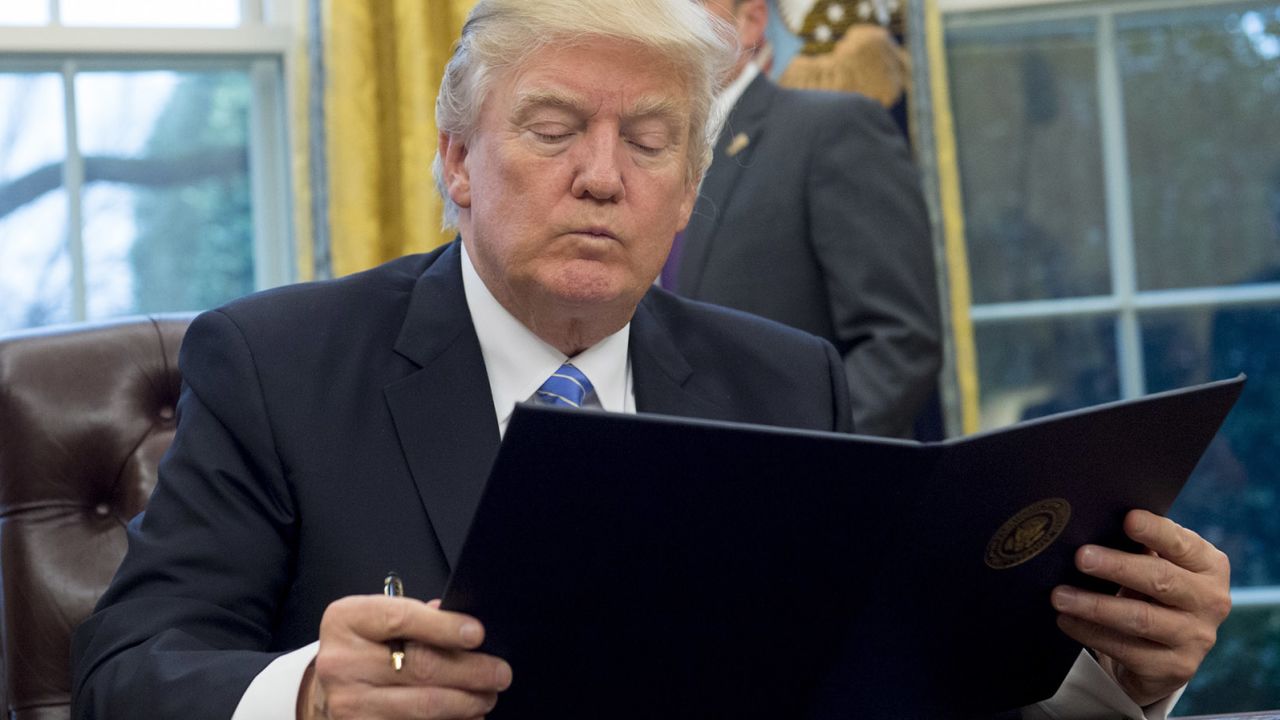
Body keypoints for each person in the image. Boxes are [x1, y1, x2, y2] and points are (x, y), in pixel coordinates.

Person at [71, 2, 1230, 719]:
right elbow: (124, 675)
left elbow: (876, 690)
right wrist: (311, 696)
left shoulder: (789, 382)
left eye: (648, 141)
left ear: (686, 192)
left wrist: (1120, 678)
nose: (600, 175)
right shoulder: (277, 363)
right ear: (458, 161)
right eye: (552, 127)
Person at [664, 0, 941, 439]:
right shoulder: (637, 154)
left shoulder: (831, 129)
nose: (663, 16)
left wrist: (807, 462)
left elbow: (899, 342)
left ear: (751, 22)